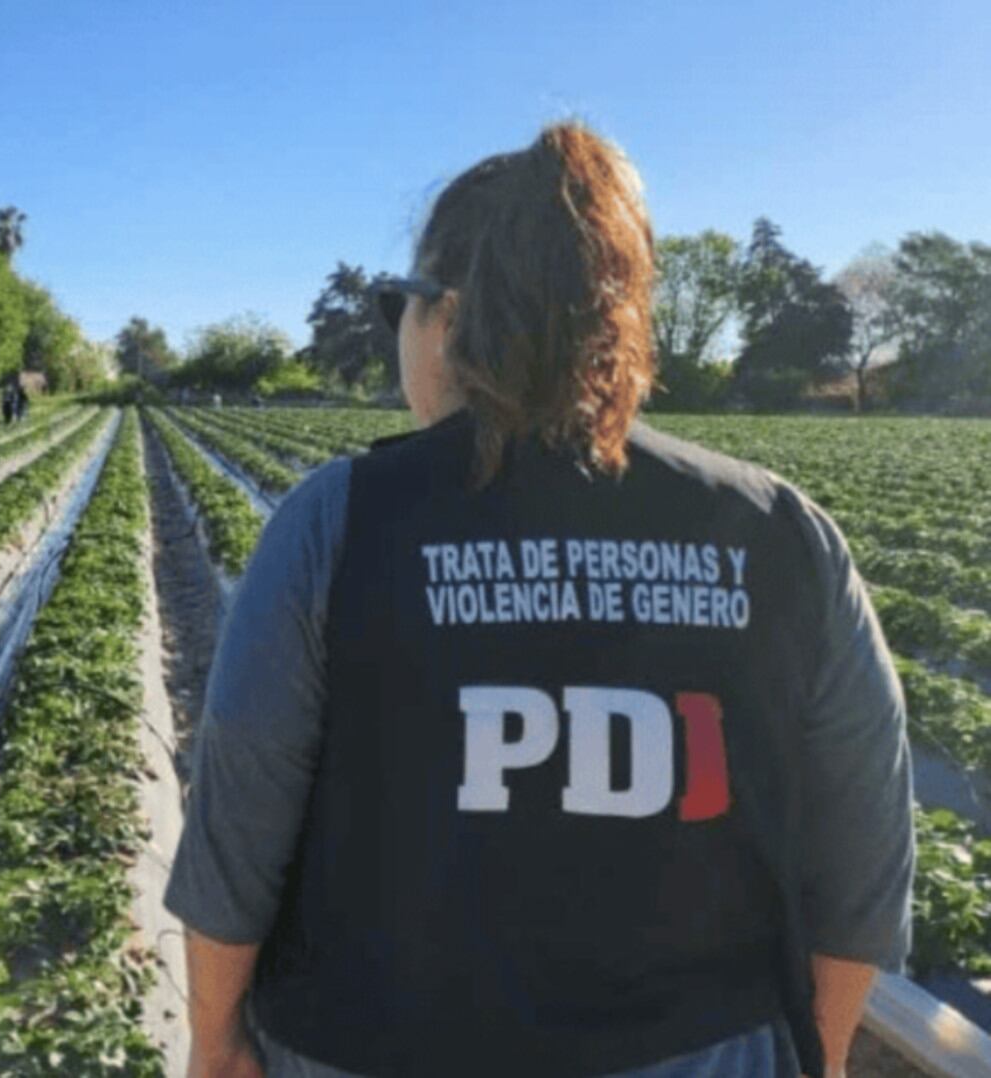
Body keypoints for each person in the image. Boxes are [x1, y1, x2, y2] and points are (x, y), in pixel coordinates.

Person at [167, 122, 911, 1078]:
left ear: (448, 315)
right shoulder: (778, 532)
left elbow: (239, 825)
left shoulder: (338, 523)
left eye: (401, 305)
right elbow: (862, 858)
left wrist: (215, 1037)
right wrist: (820, 1054)